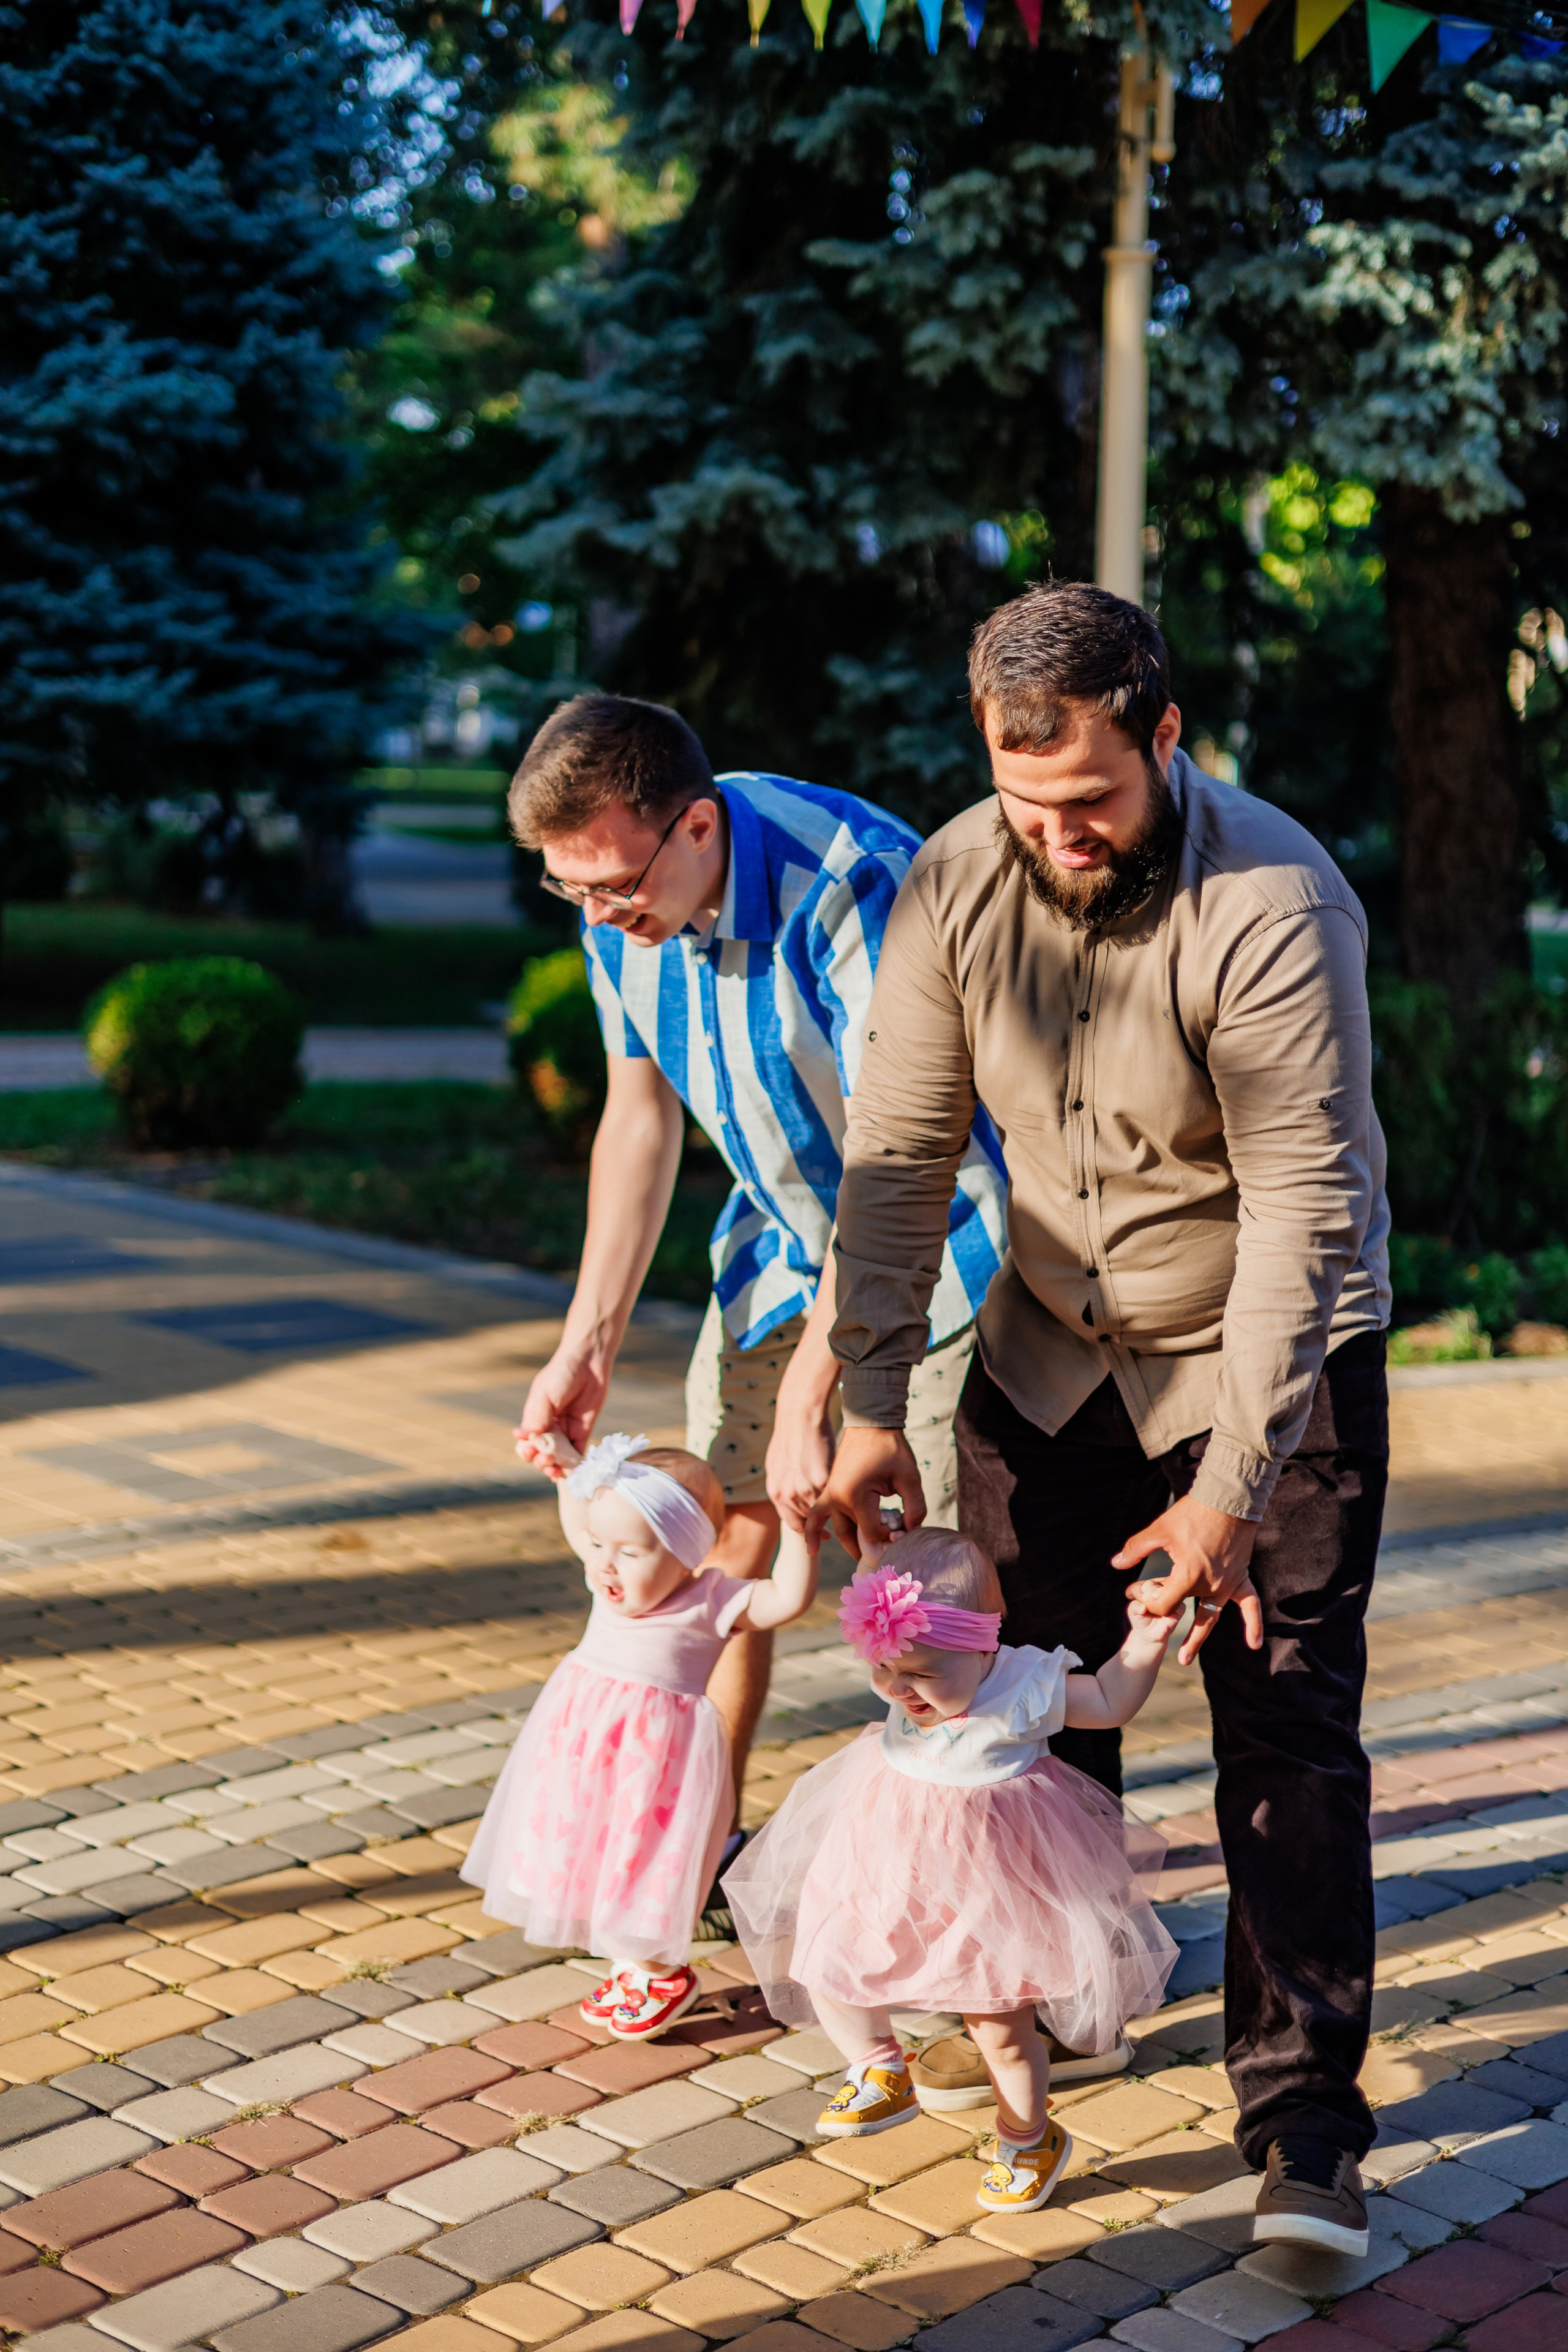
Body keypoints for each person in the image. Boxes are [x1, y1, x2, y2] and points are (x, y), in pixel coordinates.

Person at [817, 581, 1390, 2260]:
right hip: (1050, 1359)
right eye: (1027, 802)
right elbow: (900, 1155)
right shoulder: (949, 882)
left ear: (1167, 734)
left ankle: (1304, 2129)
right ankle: (1052, 2003)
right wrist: (868, 1401)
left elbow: (1303, 1206)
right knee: (1037, 1712)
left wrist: (1232, 1484)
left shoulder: (1277, 897)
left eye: (1096, 800)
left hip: (1268, 1368)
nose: (1061, 835)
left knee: (1285, 1738)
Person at [509, 693, 1007, 1815]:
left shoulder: (851, 881)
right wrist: (586, 1344)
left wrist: (813, 1395)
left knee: (920, 1576)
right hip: (779, 1245)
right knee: (711, 1538)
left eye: (614, 888)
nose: (594, 916)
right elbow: (638, 1121)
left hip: (936, 1248)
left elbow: (897, 1157)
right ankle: (694, 1841)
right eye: (567, 888)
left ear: (695, 826)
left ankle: (960, 1878)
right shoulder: (615, 909)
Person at [723, 1525, 1180, 2214]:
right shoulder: (910, 1662)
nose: (901, 1692)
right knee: (828, 1954)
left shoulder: (1024, 1686)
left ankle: (1028, 2137)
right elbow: (890, 1587)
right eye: (884, 1672)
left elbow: (1111, 1701)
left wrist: (1143, 1642)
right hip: (885, 1853)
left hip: (988, 1888)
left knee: (998, 2024)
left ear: (984, 1646)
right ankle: (878, 2067)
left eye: (925, 1677)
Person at [462, 1431, 818, 2042]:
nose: (602, 1563)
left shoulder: (710, 1599)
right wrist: (570, 1469)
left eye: (629, 1552)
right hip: (581, 1748)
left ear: (685, 1553)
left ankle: (660, 1968)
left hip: (656, 1766)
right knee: (586, 1842)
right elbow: (582, 1517)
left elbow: (786, 1599)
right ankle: (628, 1961)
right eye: (598, 1545)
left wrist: (797, 1532)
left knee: (644, 1855)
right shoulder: (608, 1574)